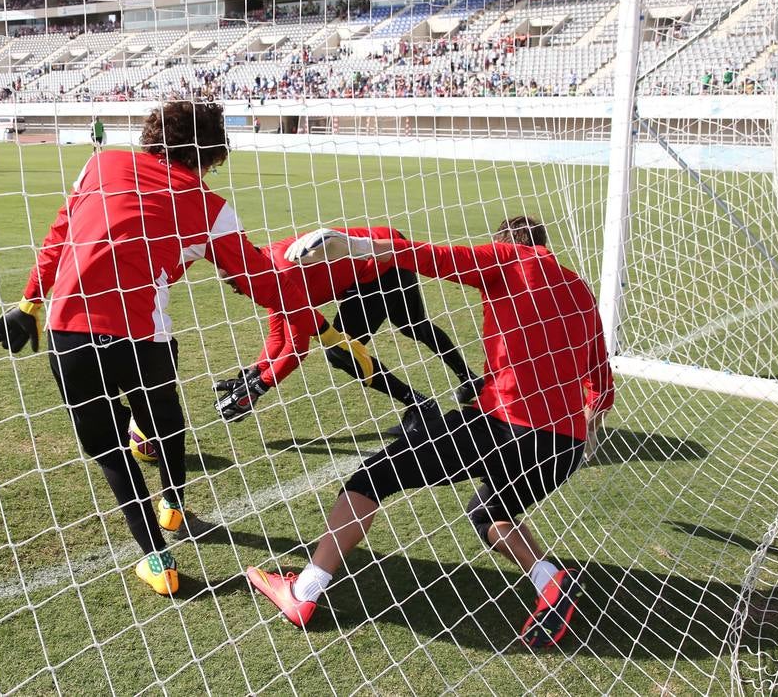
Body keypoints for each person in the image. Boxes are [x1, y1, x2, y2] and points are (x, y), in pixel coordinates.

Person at [0, 100, 373, 597]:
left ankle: (156, 558)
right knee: (165, 417)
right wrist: (327, 333)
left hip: (70, 333)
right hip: (142, 339)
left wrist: (28, 302)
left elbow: (60, 234)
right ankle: (173, 503)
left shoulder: (100, 163)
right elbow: (266, 282)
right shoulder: (209, 208)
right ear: (211, 154)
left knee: (110, 448)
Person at [246, 217, 613, 650]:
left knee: (373, 477)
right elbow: (602, 388)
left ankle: (304, 592)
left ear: (501, 243)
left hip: (506, 427)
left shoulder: (508, 259)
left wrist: (351, 244)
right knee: (489, 512)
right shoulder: (583, 293)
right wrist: (583, 426)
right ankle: (551, 582)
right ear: (545, 244)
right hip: (564, 447)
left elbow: (427, 256)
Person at [213, 226, 480, 424]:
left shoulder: (284, 274)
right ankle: (470, 379)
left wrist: (260, 387)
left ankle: (420, 405)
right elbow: (277, 336)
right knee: (413, 325)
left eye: (234, 283)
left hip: (381, 264)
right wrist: (251, 374)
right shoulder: (263, 267)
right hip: (375, 259)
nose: (235, 290)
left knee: (341, 352)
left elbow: (297, 347)